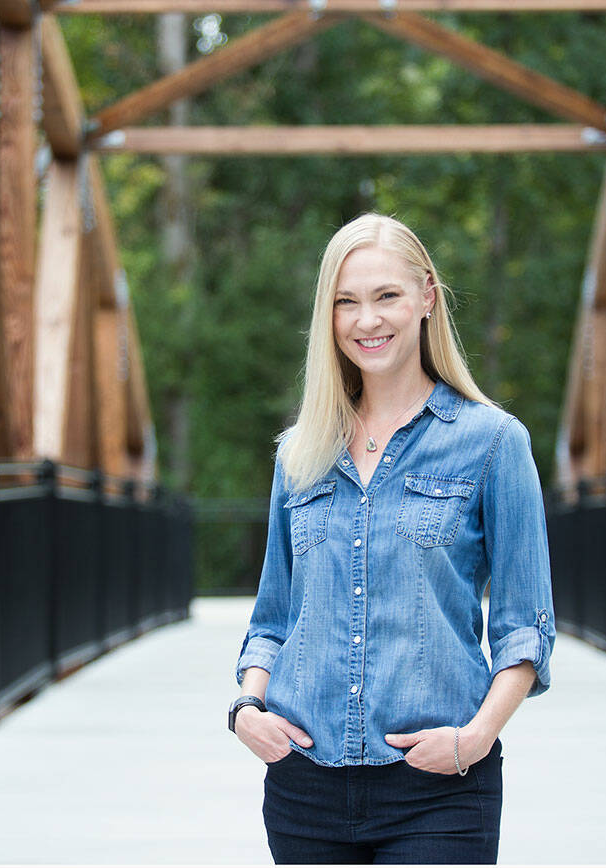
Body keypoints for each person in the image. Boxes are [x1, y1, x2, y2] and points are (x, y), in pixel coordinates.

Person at [228, 213, 555, 864]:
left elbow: (525, 626)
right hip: (304, 786)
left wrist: (477, 738)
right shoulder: (300, 453)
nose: (366, 320)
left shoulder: (492, 442)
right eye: (346, 301)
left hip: (439, 786)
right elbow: (272, 617)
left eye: (386, 297)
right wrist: (245, 709)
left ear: (427, 297)